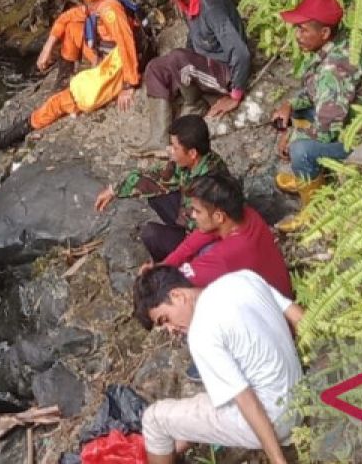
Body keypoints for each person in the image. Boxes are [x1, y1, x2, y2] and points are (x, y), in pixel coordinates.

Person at [132, 267, 304, 464]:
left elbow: (247, 401)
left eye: (165, 319)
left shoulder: (201, 333)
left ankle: (165, 445)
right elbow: (299, 317)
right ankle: (175, 445)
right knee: (200, 402)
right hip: (302, 396)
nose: (171, 330)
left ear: (177, 295)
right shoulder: (243, 278)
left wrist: (277, 460)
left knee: (154, 419)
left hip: (278, 420)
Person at [0, 0, 140, 149]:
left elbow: (126, 43)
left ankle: (21, 130)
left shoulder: (110, 11)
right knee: (72, 28)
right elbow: (66, 18)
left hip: (114, 66)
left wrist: (129, 84)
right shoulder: (100, 2)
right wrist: (48, 47)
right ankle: (63, 81)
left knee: (57, 103)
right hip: (104, 54)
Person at [270, 0, 362, 230]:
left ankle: (314, 209)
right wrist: (290, 105)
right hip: (346, 116)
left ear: (324, 33)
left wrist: (293, 137)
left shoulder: (334, 69)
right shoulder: (336, 44)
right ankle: (306, 178)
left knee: (300, 149)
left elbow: (327, 129)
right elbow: (314, 94)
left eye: (303, 30)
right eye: (297, 29)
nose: (297, 35)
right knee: (296, 115)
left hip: (360, 138)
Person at [137, 0, 252, 153]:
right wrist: (182, 67)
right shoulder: (183, 2)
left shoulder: (211, 5)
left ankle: (195, 103)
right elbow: (193, 39)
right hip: (204, 66)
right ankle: (158, 139)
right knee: (154, 68)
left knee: (178, 59)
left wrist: (235, 95)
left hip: (226, 73)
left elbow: (241, 52)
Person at [93, 115, 229, 261]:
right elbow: (158, 175)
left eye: (175, 147)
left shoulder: (209, 184)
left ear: (192, 153)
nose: (169, 150)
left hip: (202, 239)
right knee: (153, 193)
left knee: (151, 234)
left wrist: (174, 260)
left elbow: (202, 233)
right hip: (188, 218)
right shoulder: (193, 161)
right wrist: (114, 190)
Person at [147, 173, 292, 299]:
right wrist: (161, 266)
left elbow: (177, 281)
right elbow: (189, 245)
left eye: (197, 211)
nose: (192, 215)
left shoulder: (226, 256)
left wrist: (151, 280)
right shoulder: (244, 214)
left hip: (272, 314)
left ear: (218, 217)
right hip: (274, 288)